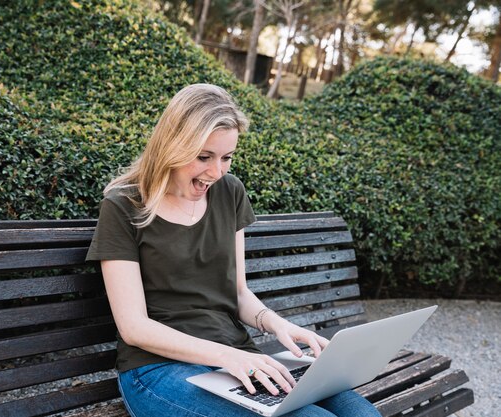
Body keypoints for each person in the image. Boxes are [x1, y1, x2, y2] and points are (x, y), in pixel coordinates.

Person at [85, 84, 380, 417]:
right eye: (203, 157)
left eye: (227, 157)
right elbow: (133, 327)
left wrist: (277, 324)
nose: (216, 172)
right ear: (172, 146)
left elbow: (237, 291)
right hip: (158, 369)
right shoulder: (124, 206)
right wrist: (227, 357)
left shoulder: (230, 191)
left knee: (363, 415)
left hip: (236, 356)